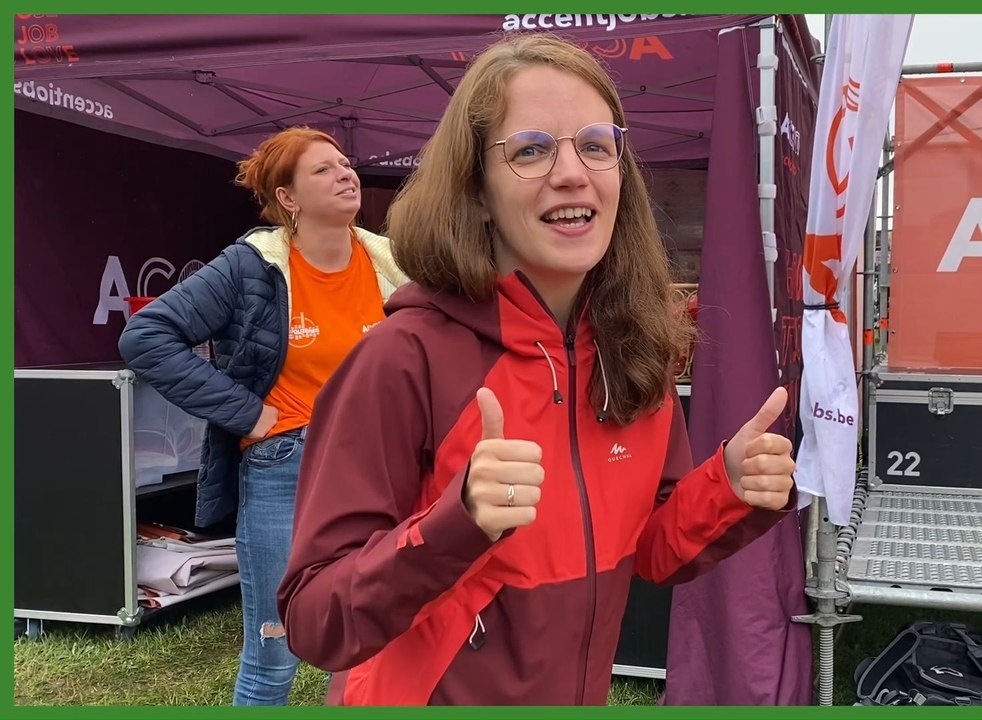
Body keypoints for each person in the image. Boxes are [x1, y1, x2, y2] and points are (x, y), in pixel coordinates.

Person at [277, 34, 798, 706]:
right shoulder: (403, 359)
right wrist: (453, 526)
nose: (573, 172)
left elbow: (653, 552)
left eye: (595, 145)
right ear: (478, 193)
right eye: (530, 150)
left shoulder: (631, 349)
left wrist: (728, 486)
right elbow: (314, 619)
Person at [118, 127, 408, 706]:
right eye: (323, 169)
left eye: (345, 164)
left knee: (364, 647)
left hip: (375, 469)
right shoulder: (250, 266)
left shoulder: (392, 260)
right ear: (289, 199)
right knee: (274, 651)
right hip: (284, 465)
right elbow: (147, 336)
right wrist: (247, 413)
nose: (346, 174)